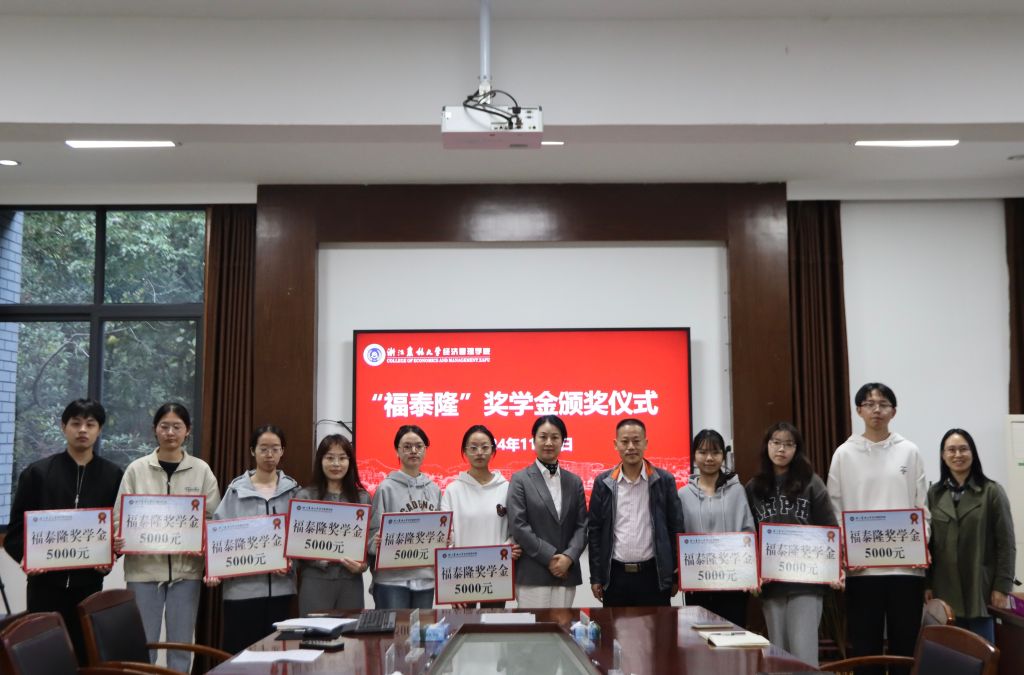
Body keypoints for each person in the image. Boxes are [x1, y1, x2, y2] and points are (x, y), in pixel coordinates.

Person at [3, 398, 123, 665]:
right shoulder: (37, 473)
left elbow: (116, 531)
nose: (83, 430)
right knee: (43, 656)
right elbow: (15, 531)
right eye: (76, 423)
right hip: (44, 585)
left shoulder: (113, 475)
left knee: (86, 655)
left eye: (90, 424)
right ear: (63, 426)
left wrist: (112, 555)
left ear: (99, 430)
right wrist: (26, 558)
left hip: (89, 585)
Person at [827, 382, 928, 675]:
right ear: (859, 410)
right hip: (862, 570)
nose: (876, 410)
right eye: (869, 404)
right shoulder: (844, 454)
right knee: (865, 647)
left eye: (883, 404)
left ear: (893, 411)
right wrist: (845, 551)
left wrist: (922, 545)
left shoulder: (909, 451)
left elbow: (922, 507)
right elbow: (835, 508)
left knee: (904, 648)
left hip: (906, 569)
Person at [113, 402, 221, 673]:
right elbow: (119, 518)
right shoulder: (136, 470)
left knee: (181, 648)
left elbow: (213, 520)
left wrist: (202, 540)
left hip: (186, 573)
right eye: (164, 426)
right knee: (143, 647)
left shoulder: (201, 470)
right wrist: (120, 538)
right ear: (155, 430)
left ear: (188, 431)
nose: (170, 432)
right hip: (143, 572)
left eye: (177, 427)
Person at [745, 421, 838, 667]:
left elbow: (830, 530)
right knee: (779, 656)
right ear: (767, 446)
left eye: (788, 444)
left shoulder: (811, 482)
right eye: (776, 442)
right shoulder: (754, 487)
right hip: (771, 585)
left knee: (803, 657)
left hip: (806, 583)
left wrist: (834, 569)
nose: (781, 449)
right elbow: (747, 536)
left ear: (797, 449)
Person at [207, 424, 299, 654]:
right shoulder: (235, 491)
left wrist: (291, 563)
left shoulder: (294, 492)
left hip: (280, 590)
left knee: (278, 658)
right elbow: (218, 536)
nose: (269, 454)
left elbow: (301, 539)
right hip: (241, 592)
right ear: (252, 451)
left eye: (275, 449)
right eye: (263, 448)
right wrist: (213, 568)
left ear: (282, 451)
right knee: (241, 657)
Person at [926, 428, 1016, 643]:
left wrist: (1002, 587)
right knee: (948, 653)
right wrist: (926, 584)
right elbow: (927, 545)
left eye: (963, 449)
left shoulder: (992, 491)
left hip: (980, 589)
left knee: (982, 652)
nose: (958, 455)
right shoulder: (934, 494)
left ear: (973, 453)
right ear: (943, 455)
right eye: (951, 450)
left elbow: (1006, 544)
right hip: (944, 589)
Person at [588, 418, 684, 607]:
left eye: (636, 441)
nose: (631, 447)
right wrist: (596, 577)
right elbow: (595, 532)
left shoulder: (664, 481)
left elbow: (676, 527)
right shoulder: (603, 483)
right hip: (615, 577)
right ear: (616, 444)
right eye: (625, 441)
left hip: (654, 575)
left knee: (658, 627)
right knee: (615, 626)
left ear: (645, 443)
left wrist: (675, 575)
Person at [506, 415, 587, 608]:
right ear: (533, 440)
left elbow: (582, 526)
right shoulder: (520, 479)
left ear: (563, 441)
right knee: (535, 627)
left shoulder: (574, 481)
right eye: (543, 437)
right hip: (533, 574)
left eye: (555, 437)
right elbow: (519, 526)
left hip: (566, 572)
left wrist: (568, 557)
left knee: (563, 625)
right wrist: (550, 558)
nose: (549, 442)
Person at [677, 428, 755, 627]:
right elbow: (678, 536)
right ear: (694, 455)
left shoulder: (737, 491)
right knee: (699, 639)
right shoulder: (683, 495)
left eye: (715, 452)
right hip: (698, 583)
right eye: (703, 452)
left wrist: (749, 572)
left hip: (733, 583)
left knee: (733, 637)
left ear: (723, 455)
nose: (709, 458)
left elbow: (748, 533)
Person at [440, 424, 522, 608]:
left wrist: (511, 546)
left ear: (493, 450)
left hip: (497, 571)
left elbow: (516, 528)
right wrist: (450, 584)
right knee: (464, 624)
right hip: (462, 574)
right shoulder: (453, 490)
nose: (479, 452)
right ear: (464, 451)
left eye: (485, 447)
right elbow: (447, 537)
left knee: (493, 623)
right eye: (473, 447)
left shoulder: (506, 488)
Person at [294, 434, 371, 615]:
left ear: (350, 462)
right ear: (320, 461)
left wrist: (363, 565)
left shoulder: (362, 498)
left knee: (350, 630)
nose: (336, 464)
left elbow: (369, 541)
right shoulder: (305, 497)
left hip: (350, 581)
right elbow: (296, 544)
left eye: (342, 458)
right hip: (315, 579)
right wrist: (316, 559)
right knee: (314, 630)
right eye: (330, 458)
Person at [368, 425, 442, 609]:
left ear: (426, 449)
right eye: (407, 446)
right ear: (397, 450)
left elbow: (442, 528)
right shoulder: (385, 488)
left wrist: (446, 538)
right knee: (393, 627)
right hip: (391, 579)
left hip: (425, 578)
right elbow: (371, 534)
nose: (413, 451)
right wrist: (376, 541)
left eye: (419, 446)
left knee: (421, 628)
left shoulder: (434, 489)